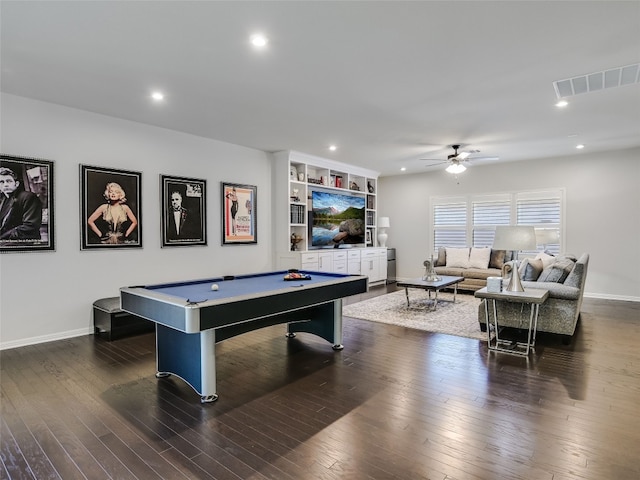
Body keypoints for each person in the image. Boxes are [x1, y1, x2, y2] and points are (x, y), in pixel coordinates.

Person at [0, 166, 43, 241]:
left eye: (9, 181)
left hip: (24, 242)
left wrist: (3, 237)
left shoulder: (28, 197)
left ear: (16, 184)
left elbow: (31, 226)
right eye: (2, 182)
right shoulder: (4, 200)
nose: (5, 184)